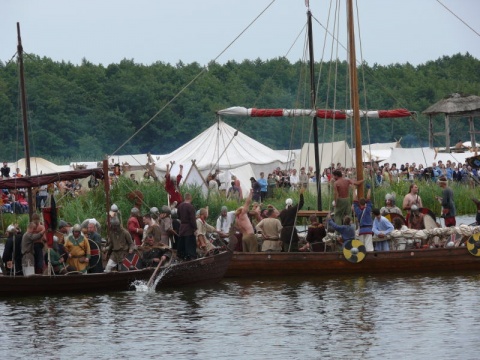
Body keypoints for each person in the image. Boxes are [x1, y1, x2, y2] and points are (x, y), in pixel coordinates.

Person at [279, 187, 304, 252]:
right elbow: (301, 203)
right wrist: (301, 194)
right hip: (291, 231)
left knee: (286, 249)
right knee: (294, 248)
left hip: (284, 232)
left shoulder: (282, 212)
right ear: (291, 203)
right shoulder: (292, 210)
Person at [177, 192, 198, 260]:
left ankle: (182, 257)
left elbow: (178, 216)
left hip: (182, 228)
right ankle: (191, 258)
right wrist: (195, 228)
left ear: (184, 198)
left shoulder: (179, 206)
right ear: (190, 198)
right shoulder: (190, 207)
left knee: (182, 244)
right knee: (190, 245)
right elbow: (192, 219)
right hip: (189, 229)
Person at [353, 185, 374, 252]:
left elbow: (355, 200)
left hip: (361, 230)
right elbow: (368, 198)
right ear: (365, 203)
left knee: (362, 247)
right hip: (368, 229)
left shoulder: (357, 210)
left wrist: (353, 189)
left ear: (359, 203)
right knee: (369, 247)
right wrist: (369, 189)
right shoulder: (368, 208)